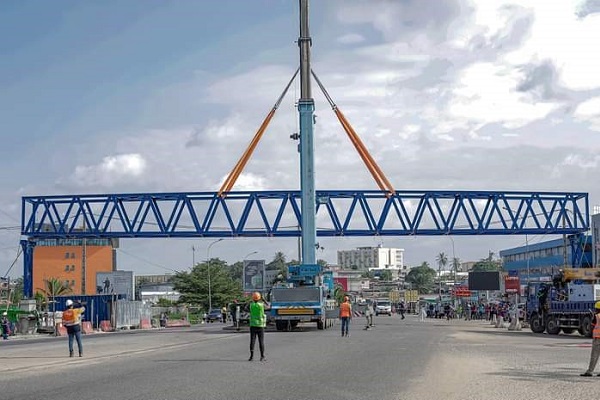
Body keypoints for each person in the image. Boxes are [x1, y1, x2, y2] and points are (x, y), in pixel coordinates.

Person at [581, 301, 600, 376]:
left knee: (594, 356)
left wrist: (592, 317)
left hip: (597, 338)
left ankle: (590, 371)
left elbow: (591, 327)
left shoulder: (597, 316)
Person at [249, 292, 268, 362]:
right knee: (261, 341)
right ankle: (262, 356)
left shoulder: (251, 305)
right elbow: (268, 306)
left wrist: (250, 301)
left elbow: (245, 308)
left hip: (253, 325)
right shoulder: (262, 305)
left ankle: (251, 356)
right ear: (259, 298)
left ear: (253, 298)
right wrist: (264, 300)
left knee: (252, 341)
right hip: (260, 325)